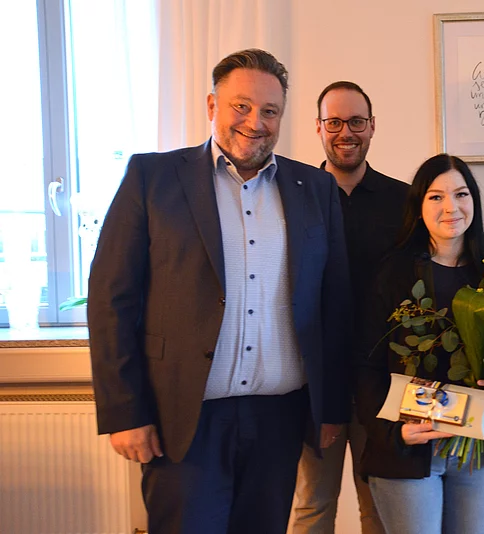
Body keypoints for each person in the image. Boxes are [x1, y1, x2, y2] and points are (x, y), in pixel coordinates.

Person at [87, 48, 351, 534]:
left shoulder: (315, 188)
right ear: (212, 105)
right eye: (241, 106)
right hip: (184, 418)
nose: (255, 122)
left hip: (279, 417)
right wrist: (124, 411)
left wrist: (331, 407)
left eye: (270, 111)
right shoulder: (152, 178)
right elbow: (111, 301)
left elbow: (333, 305)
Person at [355, 154, 484, 534]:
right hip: (409, 448)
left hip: (478, 451)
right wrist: (393, 434)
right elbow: (366, 366)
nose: (451, 207)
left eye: (461, 194)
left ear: (474, 201)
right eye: (436, 196)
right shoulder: (392, 274)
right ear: (418, 205)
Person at [292, 81, 407, 534]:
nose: (346, 132)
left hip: (381, 379)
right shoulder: (295, 197)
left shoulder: (404, 202)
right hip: (314, 380)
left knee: (377, 505)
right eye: (335, 122)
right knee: (312, 504)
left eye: (356, 121)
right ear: (318, 127)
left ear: (372, 126)